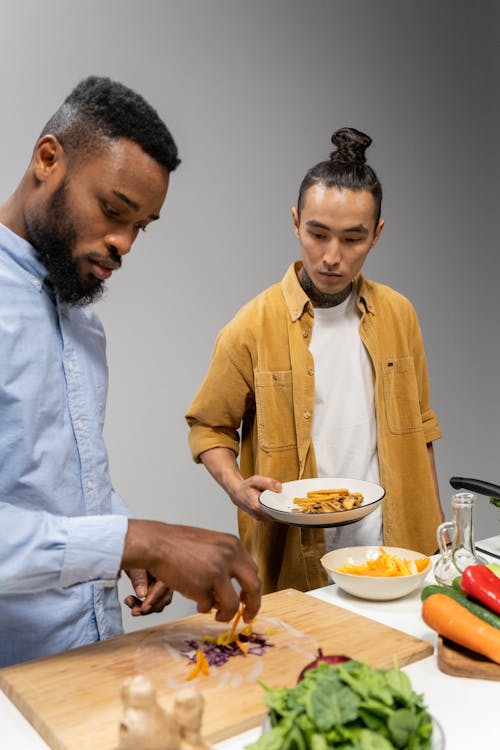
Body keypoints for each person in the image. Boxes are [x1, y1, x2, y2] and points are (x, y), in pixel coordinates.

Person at [0, 76, 261, 668]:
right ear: (48, 160)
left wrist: (121, 539)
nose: (124, 243)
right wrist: (139, 538)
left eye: (140, 226)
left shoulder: (84, 324)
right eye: (114, 211)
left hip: (92, 662)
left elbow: (53, 480)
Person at [186, 127, 444, 594]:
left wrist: (440, 537)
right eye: (317, 234)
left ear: (377, 235)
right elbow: (208, 427)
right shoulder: (252, 325)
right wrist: (234, 486)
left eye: (352, 239)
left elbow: (422, 428)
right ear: (295, 222)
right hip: (298, 564)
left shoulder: (399, 315)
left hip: (396, 551)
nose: (332, 257)